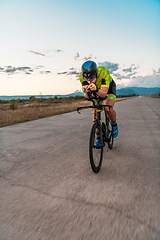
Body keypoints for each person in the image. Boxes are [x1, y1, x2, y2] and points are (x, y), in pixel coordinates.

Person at [79, 60, 118, 147]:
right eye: (87, 79)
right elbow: (87, 97)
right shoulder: (82, 77)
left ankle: (114, 123)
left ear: (96, 73)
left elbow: (104, 94)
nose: (90, 81)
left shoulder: (103, 73)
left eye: (92, 77)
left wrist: (96, 89)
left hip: (108, 88)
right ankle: (98, 138)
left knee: (108, 108)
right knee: (95, 114)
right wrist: (86, 91)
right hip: (95, 89)